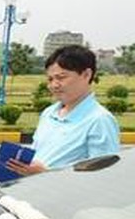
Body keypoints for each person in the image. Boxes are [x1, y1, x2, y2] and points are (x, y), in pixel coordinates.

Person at [7, 44, 120, 176]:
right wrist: (12, 163)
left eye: (61, 77)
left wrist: (44, 173)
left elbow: (103, 176)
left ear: (86, 75)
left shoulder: (100, 120)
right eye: (50, 79)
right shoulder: (49, 113)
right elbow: (37, 155)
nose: (54, 85)